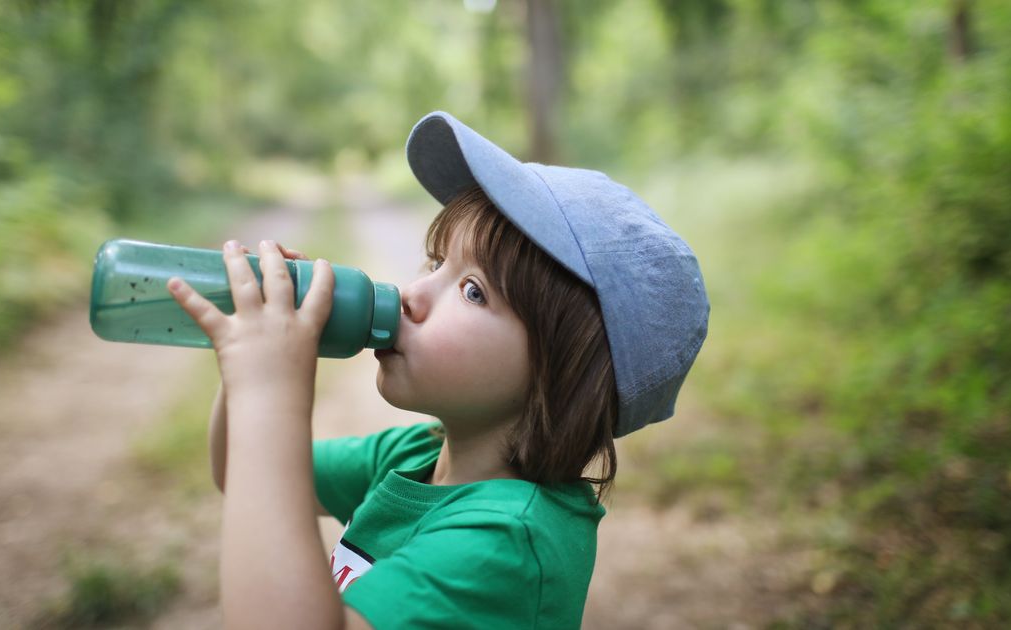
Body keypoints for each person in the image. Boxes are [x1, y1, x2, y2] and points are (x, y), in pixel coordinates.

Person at [167, 111, 709, 629]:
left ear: (560, 371)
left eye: (472, 291)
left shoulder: (509, 538)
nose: (411, 294)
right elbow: (238, 470)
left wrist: (271, 392)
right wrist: (250, 354)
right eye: (434, 262)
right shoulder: (411, 457)